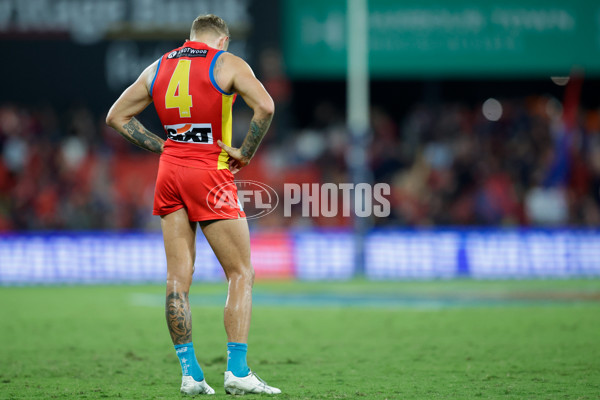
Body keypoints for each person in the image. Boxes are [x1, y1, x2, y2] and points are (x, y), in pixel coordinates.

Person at [106, 14, 280, 396]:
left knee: (176, 280)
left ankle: (190, 373)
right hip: (211, 171)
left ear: (191, 37)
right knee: (240, 273)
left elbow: (116, 117)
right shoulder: (227, 63)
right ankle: (236, 370)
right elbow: (265, 107)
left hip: (169, 174)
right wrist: (245, 153)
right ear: (223, 41)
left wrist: (163, 146)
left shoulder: (158, 66)